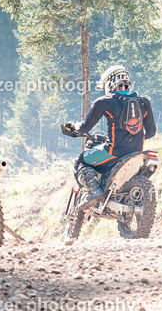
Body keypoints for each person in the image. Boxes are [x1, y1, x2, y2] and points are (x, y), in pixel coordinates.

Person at [65, 65, 156, 211]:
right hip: (137, 152)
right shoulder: (144, 102)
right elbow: (151, 133)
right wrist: (132, 138)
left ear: (109, 82)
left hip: (113, 152)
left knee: (80, 160)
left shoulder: (104, 102)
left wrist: (73, 126)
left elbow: (84, 128)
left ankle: (95, 191)